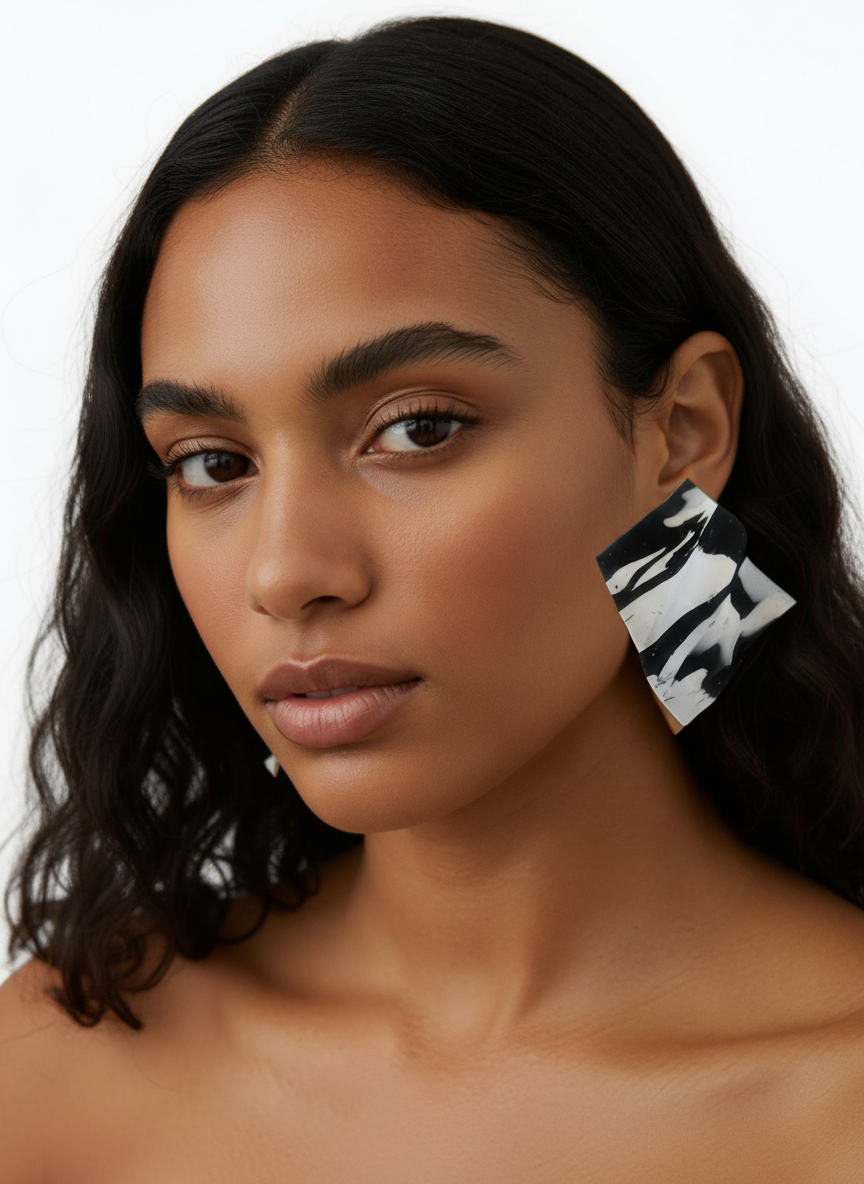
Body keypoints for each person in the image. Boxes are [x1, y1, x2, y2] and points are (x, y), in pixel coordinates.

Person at [1, 15, 863, 1180]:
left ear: (685, 431)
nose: (286, 570)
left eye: (417, 428)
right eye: (212, 461)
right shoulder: (64, 1059)